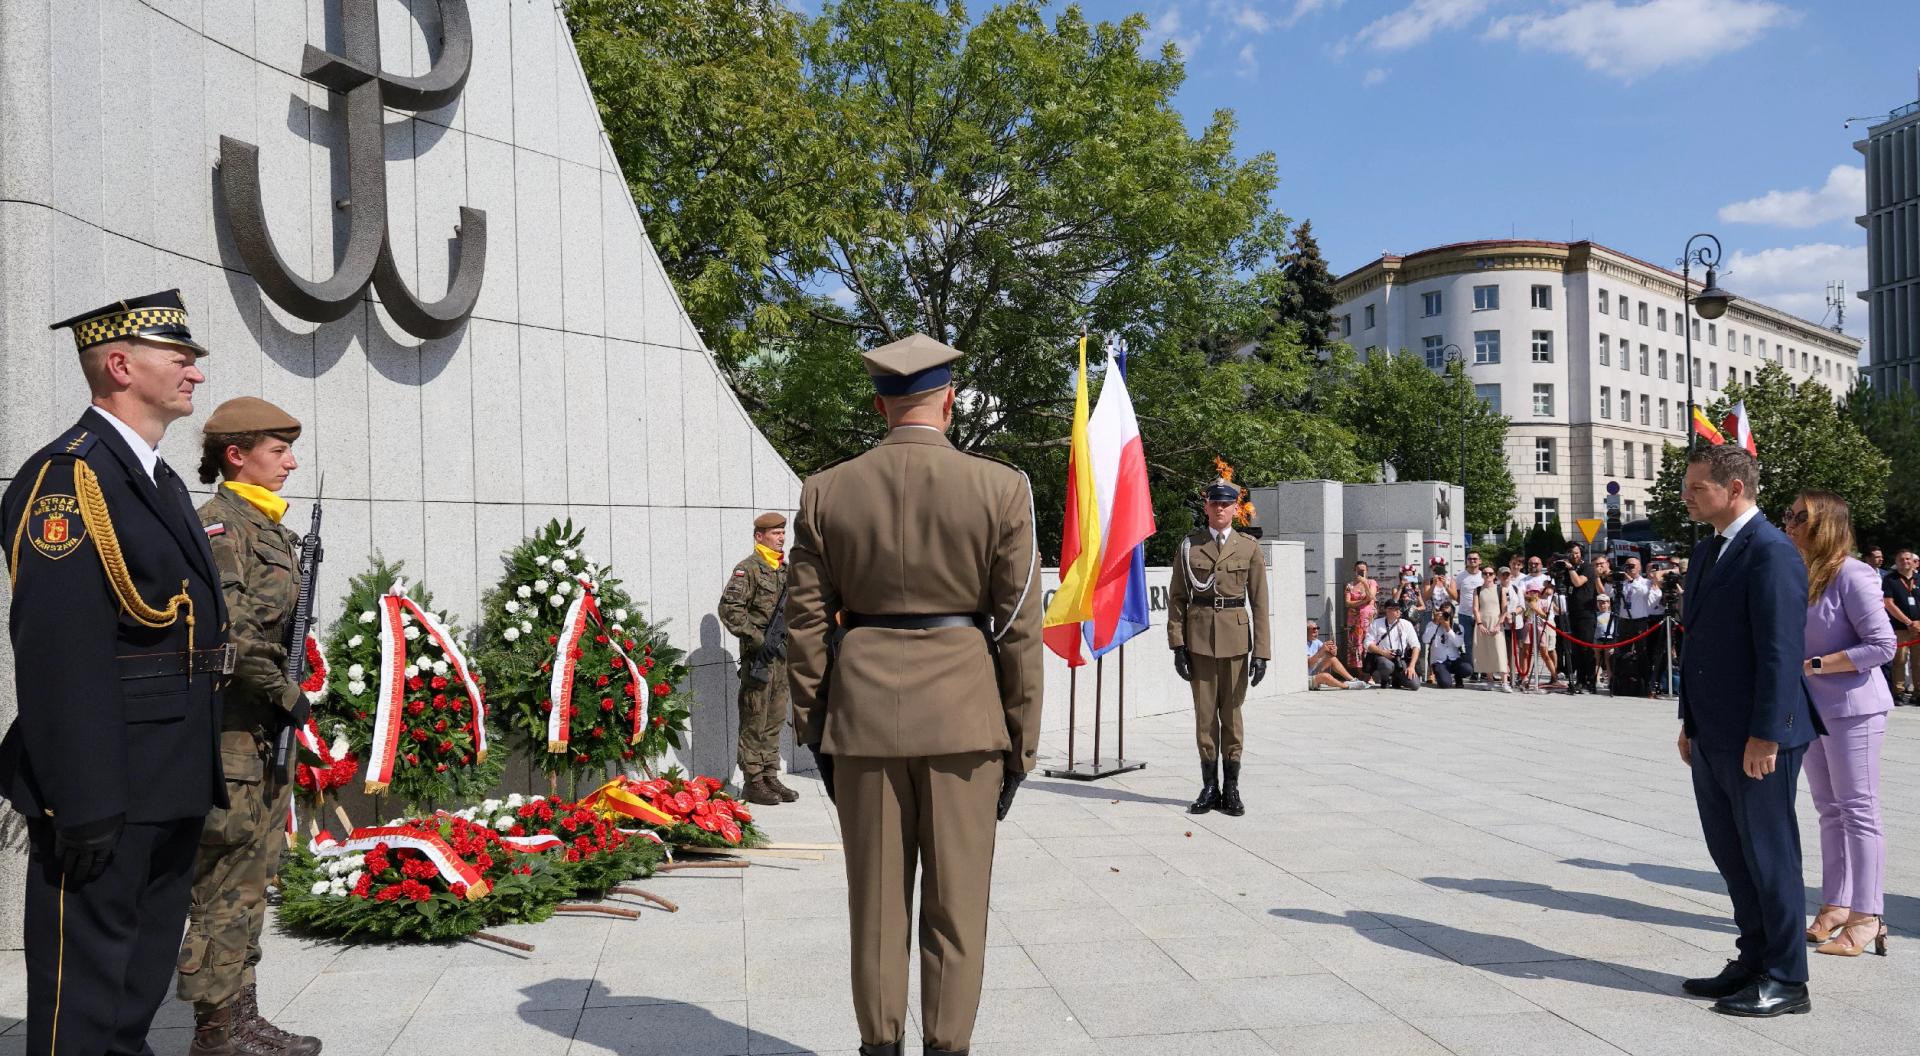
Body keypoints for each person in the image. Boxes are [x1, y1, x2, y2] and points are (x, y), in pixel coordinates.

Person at [785, 333, 1043, 1056]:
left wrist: (813, 726)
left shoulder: (825, 490)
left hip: (862, 722)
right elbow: (1019, 628)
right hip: (966, 720)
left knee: (874, 909)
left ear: (880, 405)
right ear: (950, 402)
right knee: (957, 908)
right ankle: (948, 1048)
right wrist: (1020, 743)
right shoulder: (1001, 488)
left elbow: (806, 624)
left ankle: (879, 1046)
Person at [1, 290, 229, 1056]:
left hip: (166, 773)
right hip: (109, 785)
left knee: (135, 987)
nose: (194, 372)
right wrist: (84, 800)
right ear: (122, 365)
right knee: (84, 1000)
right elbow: (58, 654)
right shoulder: (69, 481)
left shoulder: (153, 477)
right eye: (180, 357)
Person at [178, 399, 322, 1056]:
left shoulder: (267, 528)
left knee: (251, 879)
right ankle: (214, 1033)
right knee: (222, 883)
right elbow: (231, 634)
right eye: (277, 450)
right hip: (231, 734)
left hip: (264, 737)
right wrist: (289, 693)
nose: (291, 461)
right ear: (236, 455)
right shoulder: (218, 526)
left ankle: (243, 1017)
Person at [1674, 444, 1822, 1018]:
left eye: (1698, 487)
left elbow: (1781, 652)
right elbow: (1701, 643)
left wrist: (1768, 734)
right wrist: (1689, 720)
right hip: (1713, 732)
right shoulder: (1709, 551)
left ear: (1735, 489)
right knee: (1731, 852)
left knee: (1769, 853)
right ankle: (1754, 957)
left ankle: (1788, 977)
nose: (1687, 496)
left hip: (1759, 736)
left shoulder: (1771, 552)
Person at [1785, 491, 1896, 960]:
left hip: (1855, 708)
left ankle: (1868, 916)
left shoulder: (1855, 574)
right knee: (1829, 810)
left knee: (1859, 809)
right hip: (1814, 710)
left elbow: (1882, 645)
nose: (1788, 522)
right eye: (1788, 515)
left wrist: (1814, 664)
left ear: (1823, 524)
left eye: (1797, 517)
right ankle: (1834, 904)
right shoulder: (1802, 574)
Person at [1169, 478, 1272, 816]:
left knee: (1231, 715)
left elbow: (1259, 604)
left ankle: (1231, 787)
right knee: (1204, 717)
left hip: (1235, 641)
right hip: (1199, 640)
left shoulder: (1248, 547)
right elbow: (1178, 599)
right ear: (1206, 507)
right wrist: (1177, 645)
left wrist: (1261, 652)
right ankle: (1209, 786)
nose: (1220, 509)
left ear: (1235, 508)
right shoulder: (1190, 547)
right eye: (1214, 503)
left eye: (1226, 504)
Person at [719, 511, 796, 807]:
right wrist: (757, 639)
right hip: (759, 658)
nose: (780, 537)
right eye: (775, 533)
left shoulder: (785, 570)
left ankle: (769, 773)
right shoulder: (748, 569)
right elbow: (729, 609)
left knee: (775, 717)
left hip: (782, 657)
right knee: (755, 718)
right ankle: (753, 781)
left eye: (782, 533)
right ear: (759, 536)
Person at [1882, 550, 1918, 706]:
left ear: (1913, 561)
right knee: (1899, 660)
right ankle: (1899, 692)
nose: (1905, 562)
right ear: (1896, 562)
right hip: (1899, 627)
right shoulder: (1890, 579)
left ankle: (1918, 692)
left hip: (1919, 628)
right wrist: (1908, 622)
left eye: (1908, 559)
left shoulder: (1918, 578)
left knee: (1918, 662)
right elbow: (1889, 603)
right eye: (1901, 559)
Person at [1563, 545, 1598, 694]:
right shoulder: (1568, 569)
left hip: (1586, 612)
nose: (1574, 555)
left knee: (1586, 647)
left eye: (1576, 552)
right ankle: (1579, 680)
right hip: (1573, 612)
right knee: (1576, 649)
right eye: (1571, 552)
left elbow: (1578, 582)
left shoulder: (1588, 567)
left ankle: (1590, 681)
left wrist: (1570, 569)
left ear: (1581, 554)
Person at [1363, 599, 1421, 690]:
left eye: (1399, 609)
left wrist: (1411, 666)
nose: (1398, 611)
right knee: (1386, 665)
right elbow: (1367, 643)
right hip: (1383, 657)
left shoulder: (1406, 624)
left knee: (1415, 685)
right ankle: (1384, 679)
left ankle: (1396, 679)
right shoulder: (1377, 623)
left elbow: (1416, 646)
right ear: (1387, 610)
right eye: (1395, 609)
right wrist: (1383, 652)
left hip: (1400, 660)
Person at [1473, 570, 1511, 692]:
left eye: (1490, 573)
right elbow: (1475, 608)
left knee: (1500, 651)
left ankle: (1504, 681)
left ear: (1494, 575)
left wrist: (1499, 624)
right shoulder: (1478, 590)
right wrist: (1479, 624)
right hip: (1483, 622)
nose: (1487, 575)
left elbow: (1504, 609)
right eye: (1485, 573)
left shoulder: (1501, 590)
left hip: (1496, 622)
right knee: (1486, 650)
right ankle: (1490, 680)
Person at [1422, 602, 1474, 688]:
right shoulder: (1432, 625)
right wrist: (1435, 623)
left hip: (1454, 660)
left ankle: (1458, 677)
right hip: (1439, 661)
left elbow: (1458, 643)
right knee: (1445, 684)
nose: (1445, 616)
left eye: (1447, 614)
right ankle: (1443, 675)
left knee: (1467, 669)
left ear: (1452, 615)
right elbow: (1425, 640)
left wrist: (1448, 628)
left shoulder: (1458, 627)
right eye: (1443, 613)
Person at [1306, 621, 1367, 690]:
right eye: (1314, 632)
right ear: (1306, 631)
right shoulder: (1302, 643)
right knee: (1326, 676)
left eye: (1317, 631)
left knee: (1332, 658)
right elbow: (1309, 664)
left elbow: (1331, 654)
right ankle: (1346, 686)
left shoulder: (1315, 641)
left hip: (1312, 672)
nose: (1316, 633)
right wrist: (1322, 650)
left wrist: (1333, 651)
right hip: (1305, 677)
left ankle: (1352, 680)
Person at [1455, 551, 1485, 678]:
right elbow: (1457, 594)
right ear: (1466, 561)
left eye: (1475, 559)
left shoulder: (1485, 575)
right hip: (1465, 614)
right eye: (1470, 559)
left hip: (1482, 614)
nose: (1472, 561)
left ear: (1480, 561)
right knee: (1468, 644)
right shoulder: (1461, 576)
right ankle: (1471, 670)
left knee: (1482, 643)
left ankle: (1484, 670)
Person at [1343, 561, 1377, 670]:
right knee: (1356, 647)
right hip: (1354, 622)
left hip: (1368, 621)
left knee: (1369, 645)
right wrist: (1364, 601)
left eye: (1363, 570)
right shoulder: (1350, 585)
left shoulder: (1372, 582)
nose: (1361, 572)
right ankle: (1360, 673)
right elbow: (1348, 603)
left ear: (1367, 571)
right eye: (1359, 570)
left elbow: (1371, 596)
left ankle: (1369, 673)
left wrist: (1365, 584)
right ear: (1355, 570)